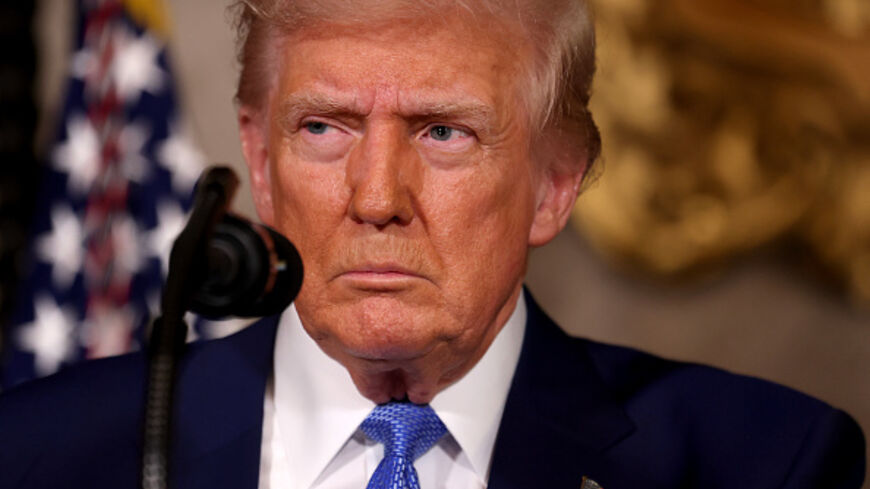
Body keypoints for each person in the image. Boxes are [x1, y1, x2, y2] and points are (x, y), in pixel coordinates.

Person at [0, 0, 865, 488]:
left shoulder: (761, 465)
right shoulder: (44, 454)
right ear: (260, 160)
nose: (376, 198)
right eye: (324, 127)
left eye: (444, 132)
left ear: (557, 181)